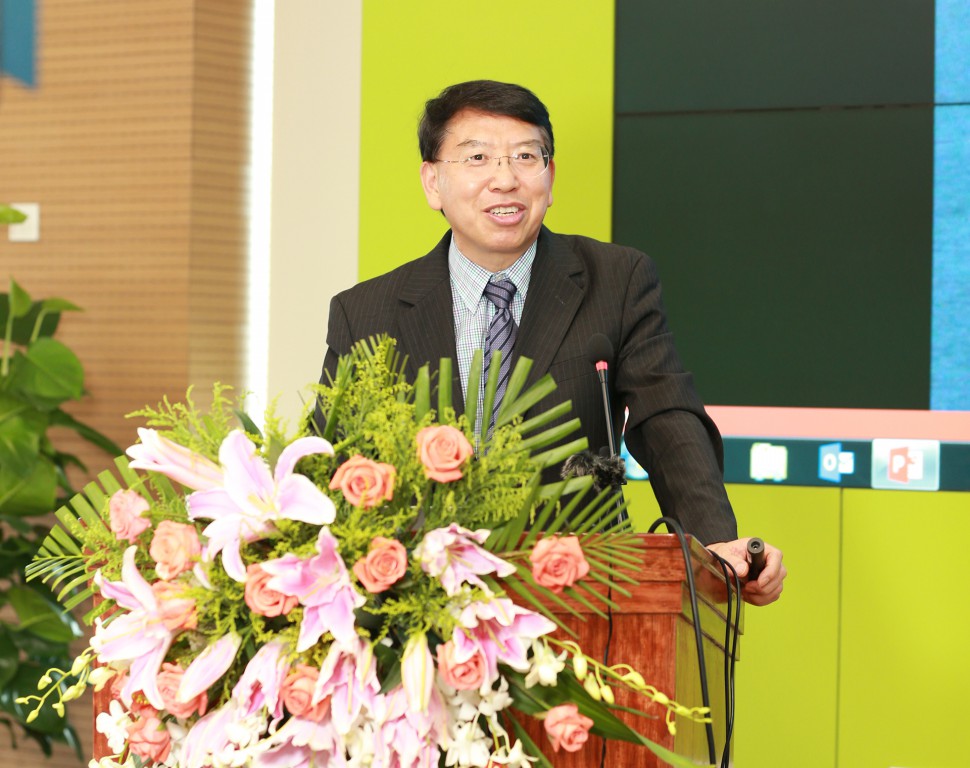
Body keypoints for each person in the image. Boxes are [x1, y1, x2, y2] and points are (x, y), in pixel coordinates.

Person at [316, 80, 786, 606]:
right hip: (421, 598)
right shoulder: (366, 313)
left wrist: (712, 542)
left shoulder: (616, 280)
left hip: (578, 591)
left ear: (550, 175)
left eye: (526, 156)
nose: (505, 180)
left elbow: (666, 418)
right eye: (477, 158)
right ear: (433, 183)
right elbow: (336, 462)